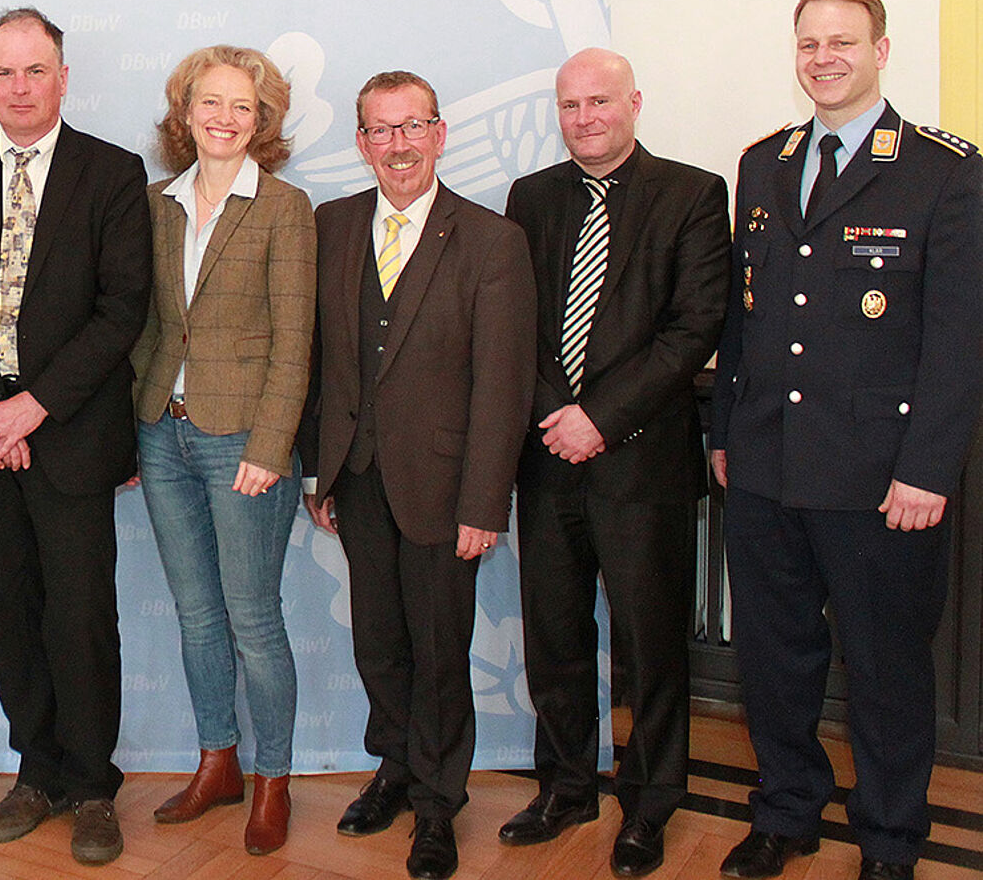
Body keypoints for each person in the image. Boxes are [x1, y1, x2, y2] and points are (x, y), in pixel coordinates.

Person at [711, 0, 982, 880]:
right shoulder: (762, 161)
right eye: (808, 44)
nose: (823, 57)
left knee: (885, 670)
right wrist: (724, 432)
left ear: (882, 50)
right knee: (774, 661)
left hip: (878, 479)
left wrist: (928, 470)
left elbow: (957, 340)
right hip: (763, 465)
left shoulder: (944, 170)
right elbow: (743, 320)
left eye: (842, 41)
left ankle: (890, 839)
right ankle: (786, 810)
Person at [0, 7, 152, 866]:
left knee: (81, 617)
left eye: (35, 70)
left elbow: (123, 307)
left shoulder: (114, 174)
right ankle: (36, 770)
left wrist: (34, 406)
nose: (20, 86)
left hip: (72, 435)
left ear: (62, 76)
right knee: (8, 612)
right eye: (4, 72)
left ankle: (91, 785)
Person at [298, 70, 535, 880]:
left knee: (439, 651)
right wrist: (316, 473)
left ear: (438, 134)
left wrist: (485, 500)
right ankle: (395, 769)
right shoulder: (330, 225)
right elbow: (315, 359)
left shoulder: (491, 238)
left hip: (445, 486)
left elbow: (502, 384)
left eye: (412, 127)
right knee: (379, 645)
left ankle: (438, 803)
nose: (397, 145)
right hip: (357, 478)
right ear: (361, 142)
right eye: (380, 130)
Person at [501, 48, 730, 876]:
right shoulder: (530, 198)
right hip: (547, 457)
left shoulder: (695, 192)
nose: (585, 117)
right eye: (570, 106)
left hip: (641, 463)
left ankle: (650, 803)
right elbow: (511, 321)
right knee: (554, 637)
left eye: (600, 101)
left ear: (633, 101)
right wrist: (551, 417)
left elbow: (694, 326)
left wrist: (598, 417)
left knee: (651, 644)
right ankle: (564, 785)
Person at [130, 45, 314, 855]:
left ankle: (273, 779)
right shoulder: (155, 201)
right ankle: (219, 761)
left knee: (252, 620)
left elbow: (294, 341)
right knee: (197, 615)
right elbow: (148, 323)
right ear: (186, 111)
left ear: (263, 119)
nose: (225, 119)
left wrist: (271, 445)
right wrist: (138, 420)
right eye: (211, 102)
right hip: (162, 432)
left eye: (243, 106)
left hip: (245, 441)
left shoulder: (285, 206)